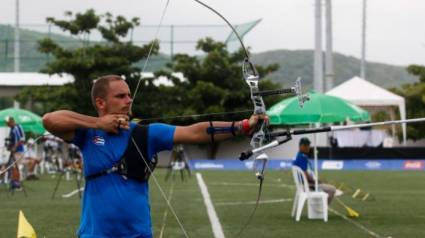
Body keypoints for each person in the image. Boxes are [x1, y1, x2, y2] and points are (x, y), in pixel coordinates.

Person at [42, 74, 265, 238]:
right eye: (120, 96)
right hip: (95, 233)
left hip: (138, 234)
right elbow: (50, 120)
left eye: (129, 95)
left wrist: (243, 126)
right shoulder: (87, 133)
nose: (129, 100)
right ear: (100, 103)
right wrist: (98, 123)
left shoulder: (146, 134)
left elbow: (194, 132)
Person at [292, 137, 336, 204]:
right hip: (308, 186)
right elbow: (306, 176)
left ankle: (320, 207)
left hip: (304, 185)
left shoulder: (299, 156)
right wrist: (316, 182)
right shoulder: (302, 157)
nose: (308, 147)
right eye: (306, 145)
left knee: (325, 185)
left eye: (308, 145)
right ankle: (322, 208)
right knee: (332, 189)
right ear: (301, 146)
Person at [6, 117, 26, 189]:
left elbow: (21, 139)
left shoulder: (17, 127)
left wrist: (14, 147)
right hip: (15, 150)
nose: (7, 125)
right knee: (14, 167)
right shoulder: (12, 128)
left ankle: (18, 184)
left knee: (18, 167)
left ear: (11, 122)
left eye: (8, 123)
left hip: (19, 150)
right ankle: (14, 182)